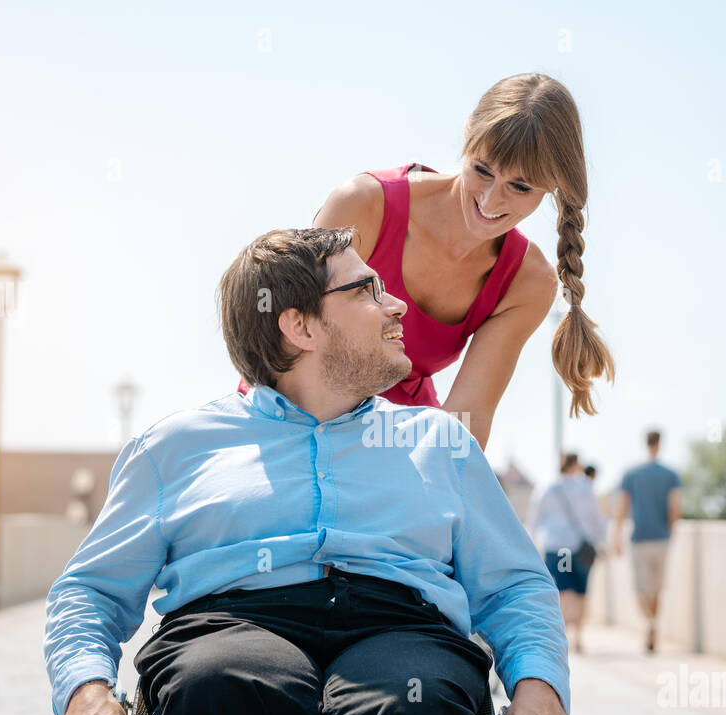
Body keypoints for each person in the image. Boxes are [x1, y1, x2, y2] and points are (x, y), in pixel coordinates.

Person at [46, 227, 576, 715]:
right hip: (233, 626)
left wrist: (540, 684)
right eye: (368, 290)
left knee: (411, 700)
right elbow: (89, 588)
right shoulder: (176, 449)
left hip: (402, 627)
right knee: (219, 686)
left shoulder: (441, 443)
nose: (398, 305)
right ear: (299, 326)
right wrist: (84, 688)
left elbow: (515, 584)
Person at [236, 73, 615, 451]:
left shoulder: (528, 282)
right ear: (468, 134)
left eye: (520, 187)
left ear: (553, 187)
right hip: (291, 406)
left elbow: (466, 424)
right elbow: (290, 340)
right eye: (482, 170)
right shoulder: (365, 203)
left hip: (398, 433)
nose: (491, 200)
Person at [527, 452, 607, 654]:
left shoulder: (547, 487)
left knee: (563, 591)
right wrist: (602, 542)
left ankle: (563, 635)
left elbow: (534, 518)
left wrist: (532, 544)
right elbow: (597, 518)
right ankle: (579, 637)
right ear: (575, 465)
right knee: (582, 593)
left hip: (558, 548)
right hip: (581, 549)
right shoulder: (584, 487)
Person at [612, 430, 681, 653]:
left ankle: (649, 624)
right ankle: (654, 624)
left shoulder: (631, 474)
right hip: (661, 538)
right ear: (659, 444)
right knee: (657, 588)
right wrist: (670, 533)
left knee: (641, 588)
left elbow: (622, 507)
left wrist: (616, 535)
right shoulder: (671, 474)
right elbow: (675, 508)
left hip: (639, 538)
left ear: (645, 443)